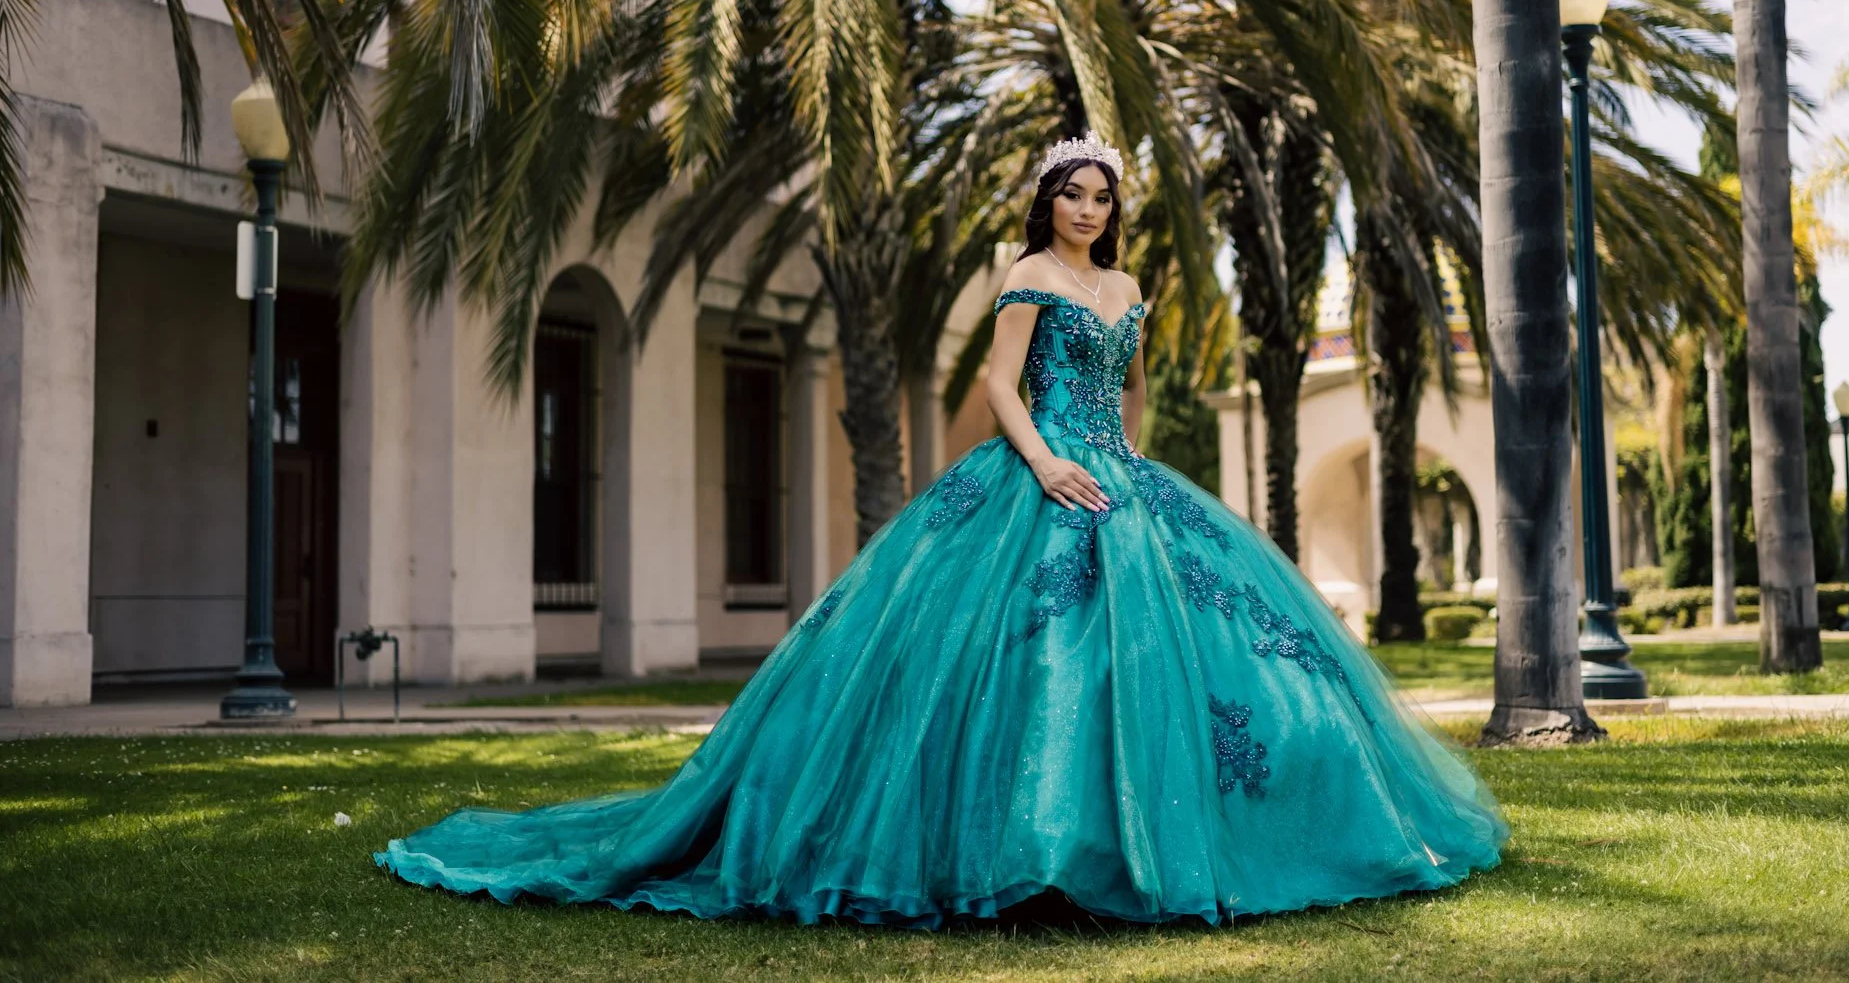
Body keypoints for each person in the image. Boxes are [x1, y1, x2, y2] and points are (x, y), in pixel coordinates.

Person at [376, 132, 1507, 926]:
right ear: (1045, 202)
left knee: (1208, 666)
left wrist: (1115, 463)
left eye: (1101, 197)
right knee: (1009, 667)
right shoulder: (1026, 275)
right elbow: (1001, 388)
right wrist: (1047, 463)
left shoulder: (1125, 291)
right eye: (1072, 193)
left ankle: (1142, 850)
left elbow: (1126, 393)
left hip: (1121, 478)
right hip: (1035, 473)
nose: (1087, 210)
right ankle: (1023, 856)